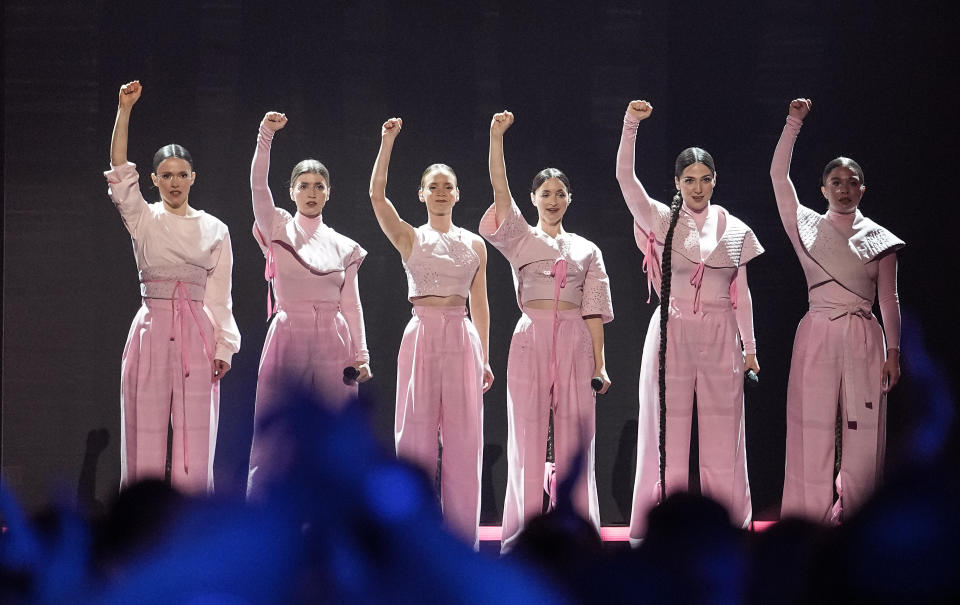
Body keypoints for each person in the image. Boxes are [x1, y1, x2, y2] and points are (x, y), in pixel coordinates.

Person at [616, 100, 762, 542]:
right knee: (665, 432)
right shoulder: (664, 219)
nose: (697, 187)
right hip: (672, 327)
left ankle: (730, 526)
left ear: (715, 181)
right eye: (689, 180)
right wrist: (630, 126)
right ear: (677, 183)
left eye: (704, 179)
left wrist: (750, 349)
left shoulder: (736, 229)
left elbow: (742, 292)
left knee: (723, 434)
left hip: (721, 332)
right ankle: (659, 527)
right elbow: (626, 179)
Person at [482, 110, 613, 553]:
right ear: (533, 198)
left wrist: (600, 363)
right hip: (530, 336)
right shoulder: (519, 237)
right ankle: (520, 534)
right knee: (526, 433)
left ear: (570, 199)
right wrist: (497, 137)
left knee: (577, 433)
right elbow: (500, 187)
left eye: (560, 193)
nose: (552, 199)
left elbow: (594, 311)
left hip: (575, 337)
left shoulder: (587, 249)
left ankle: (579, 532)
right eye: (545, 193)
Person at [770, 98, 903, 524]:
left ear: (863, 188)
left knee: (862, 432)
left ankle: (860, 520)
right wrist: (794, 123)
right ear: (822, 188)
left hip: (864, 335)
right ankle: (807, 521)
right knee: (812, 429)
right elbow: (777, 176)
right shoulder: (808, 226)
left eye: (852, 181)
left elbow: (888, 300)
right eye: (835, 181)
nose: (844, 187)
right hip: (817, 331)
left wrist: (894, 352)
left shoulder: (880, 238)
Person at [105, 80, 240, 494]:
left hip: (197, 332)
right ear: (154, 179)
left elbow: (219, 296)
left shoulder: (215, 228)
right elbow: (119, 169)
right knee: (143, 432)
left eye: (182, 175)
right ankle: (138, 528)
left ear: (193, 177)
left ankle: (194, 524)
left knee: (195, 440)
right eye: (166, 176)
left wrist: (223, 346)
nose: (175, 182)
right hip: (151, 329)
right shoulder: (144, 219)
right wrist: (124, 110)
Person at [368, 117, 493, 548]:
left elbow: (481, 303)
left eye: (448, 186)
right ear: (421, 194)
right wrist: (387, 142)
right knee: (415, 436)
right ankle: (410, 540)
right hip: (421, 333)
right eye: (433, 186)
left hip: (462, 335)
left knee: (463, 440)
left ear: (458, 194)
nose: (441, 192)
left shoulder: (475, 243)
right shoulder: (410, 237)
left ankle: (462, 544)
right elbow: (376, 197)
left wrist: (487, 358)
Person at [245, 112, 372, 500]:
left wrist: (361, 353)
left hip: (334, 339)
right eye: (304, 185)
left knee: (337, 433)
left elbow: (351, 303)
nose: (312, 192)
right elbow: (256, 185)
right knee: (276, 429)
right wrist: (265, 135)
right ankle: (265, 523)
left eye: (319, 185)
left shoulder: (343, 245)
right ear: (292, 191)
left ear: (329, 192)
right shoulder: (278, 226)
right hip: (288, 332)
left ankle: (336, 524)